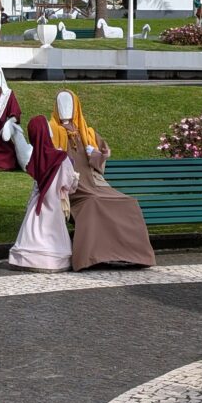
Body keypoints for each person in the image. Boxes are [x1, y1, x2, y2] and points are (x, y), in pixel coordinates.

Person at [49, 90, 156, 272]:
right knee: (92, 203)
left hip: (95, 184)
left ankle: (133, 254)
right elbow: (45, 157)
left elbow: (102, 157)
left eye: (69, 104)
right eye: (61, 104)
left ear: (76, 107)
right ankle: (91, 257)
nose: (65, 108)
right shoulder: (51, 131)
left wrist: (95, 154)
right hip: (73, 188)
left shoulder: (87, 132)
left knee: (127, 203)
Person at [9, 116, 79, 271]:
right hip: (54, 202)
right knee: (54, 231)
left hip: (37, 202)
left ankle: (27, 258)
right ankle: (52, 259)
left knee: (32, 228)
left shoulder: (34, 159)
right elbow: (68, 185)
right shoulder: (60, 158)